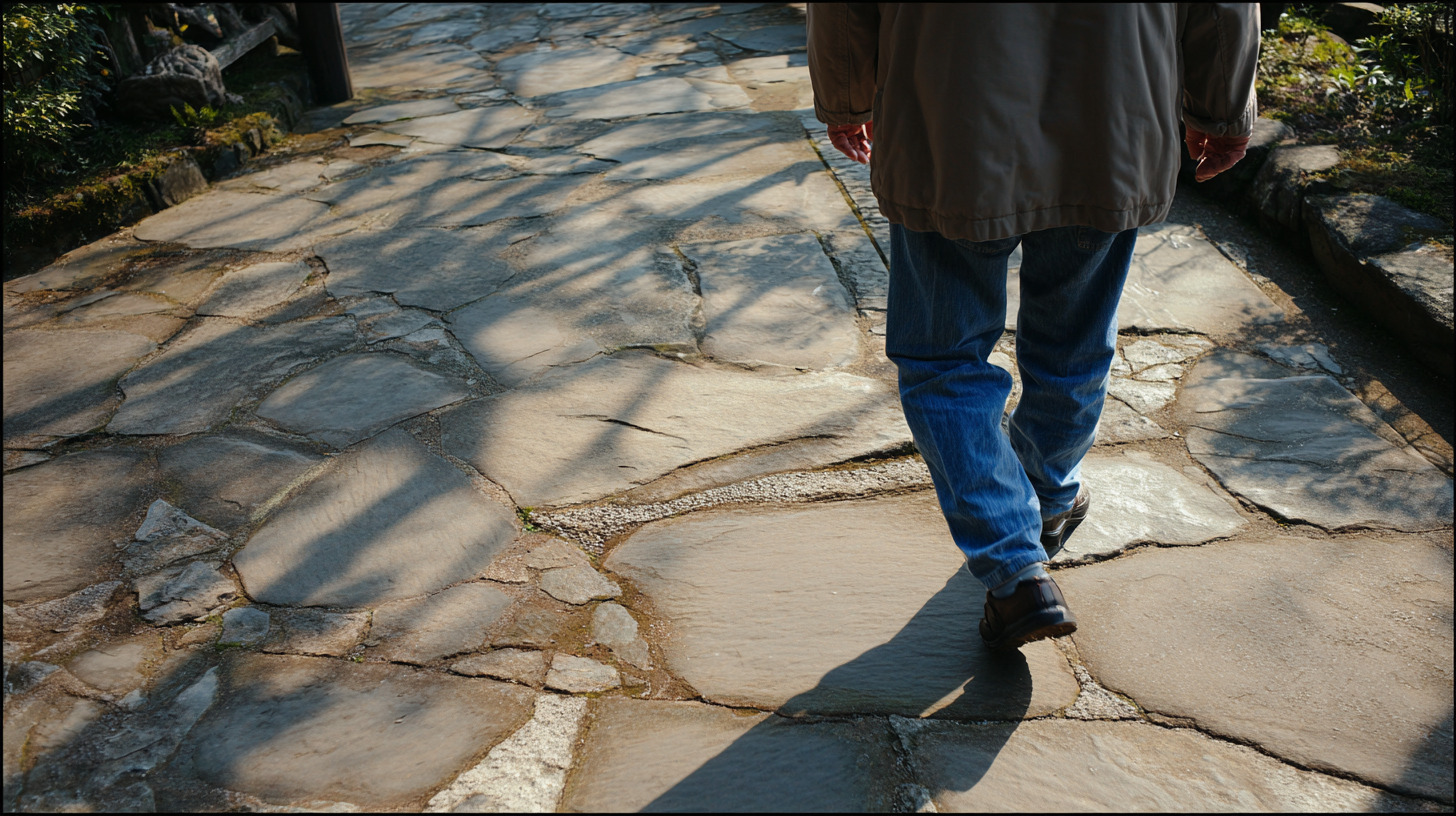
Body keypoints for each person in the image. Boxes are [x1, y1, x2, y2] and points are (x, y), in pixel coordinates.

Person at [807, 4, 1259, 651]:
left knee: (942, 360)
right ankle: (1043, 500)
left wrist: (846, 92)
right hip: (1112, 115)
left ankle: (1016, 564)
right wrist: (1220, 107)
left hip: (949, 113)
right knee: (1073, 344)